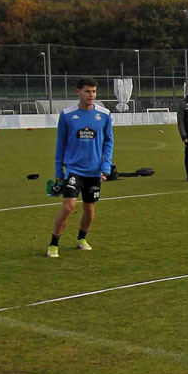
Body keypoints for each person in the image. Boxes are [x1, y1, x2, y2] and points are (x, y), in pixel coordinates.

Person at [47, 77, 114, 258]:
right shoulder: (67, 115)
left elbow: (109, 141)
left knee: (89, 210)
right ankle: (53, 244)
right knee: (68, 207)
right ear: (78, 92)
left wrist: (105, 166)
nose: (91, 95)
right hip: (74, 170)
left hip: (94, 171)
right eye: (87, 91)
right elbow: (60, 144)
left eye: (93, 92)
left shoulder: (105, 114)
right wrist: (57, 171)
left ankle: (81, 238)